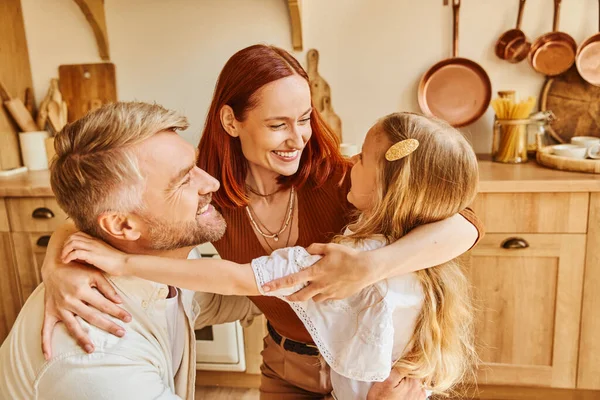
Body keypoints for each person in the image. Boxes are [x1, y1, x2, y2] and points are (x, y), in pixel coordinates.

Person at [41, 45, 484, 399]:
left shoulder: (346, 181)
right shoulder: (205, 193)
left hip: (376, 377)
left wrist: (373, 266)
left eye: (306, 119)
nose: (298, 138)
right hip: (285, 367)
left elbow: (462, 222)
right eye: (277, 125)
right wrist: (57, 264)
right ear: (231, 121)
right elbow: (101, 212)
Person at [0, 102, 262, 399]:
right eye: (184, 179)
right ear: (122, 226)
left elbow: (208, 302)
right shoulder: (96, 359)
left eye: (196, 165)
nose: (212, 183)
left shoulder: (165, 261)